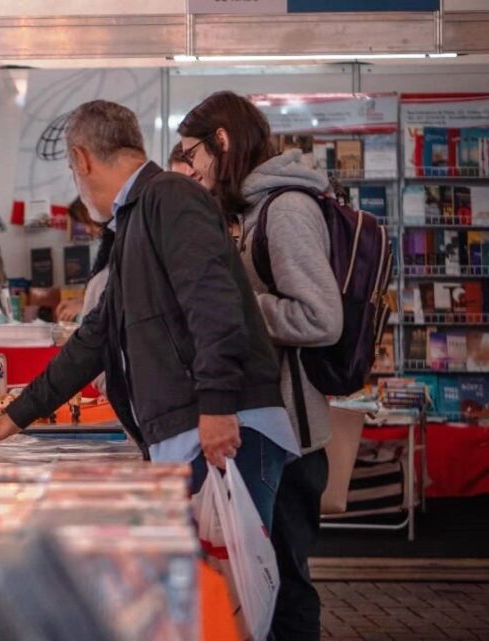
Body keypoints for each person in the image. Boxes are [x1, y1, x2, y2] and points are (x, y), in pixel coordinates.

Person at [0, 100, 294, 533]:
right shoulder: (137, 219)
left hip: (224, 432)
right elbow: (96, 336)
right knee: (205, 585)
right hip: (195, 431)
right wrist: (15, 416)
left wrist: (216, 405)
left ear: (81, 159)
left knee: (230, 587)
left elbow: (214, 304)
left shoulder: (169, 197)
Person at [179, 90, 342, 641]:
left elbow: (322, 319)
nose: (191, 167)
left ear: (220, 142)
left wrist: (239, 306)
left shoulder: (287, 209)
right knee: (262, 579)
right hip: (268, 427)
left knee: (286, 582)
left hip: (293, 435)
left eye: (193, 152)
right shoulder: (248, 209)